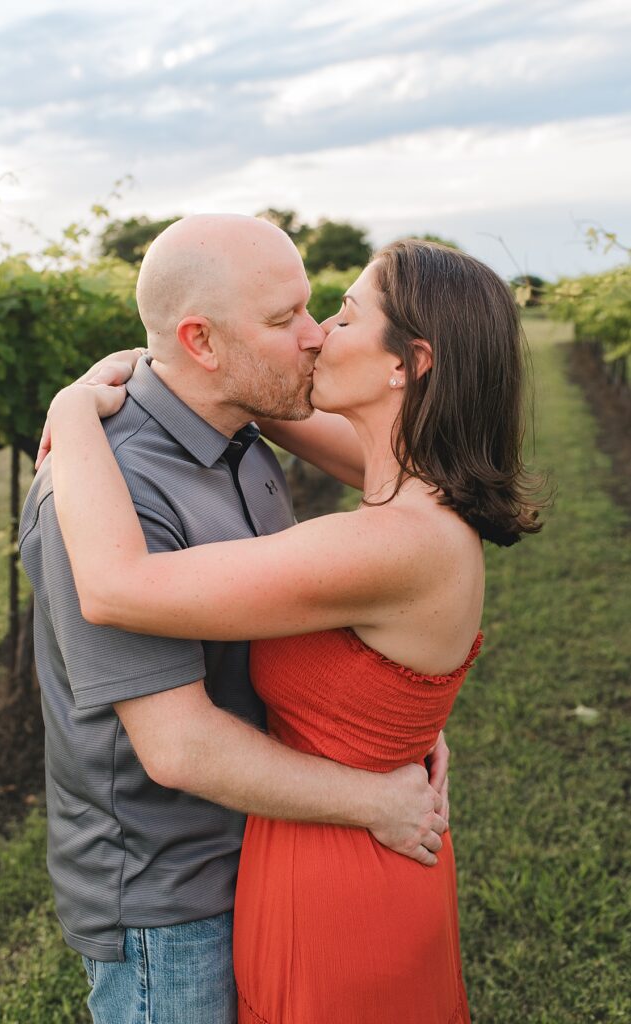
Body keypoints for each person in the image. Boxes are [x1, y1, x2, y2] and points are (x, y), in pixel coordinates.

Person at [44, 228, 543, 1023]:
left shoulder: (389, 541)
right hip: (321, 851)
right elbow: (241, 390)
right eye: (298, 316)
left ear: (406, 364)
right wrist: (172, 361)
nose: (315, 334)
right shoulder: (418, 482)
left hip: (339, 876)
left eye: (337, 315)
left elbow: (116, 585)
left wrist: (69, 412)